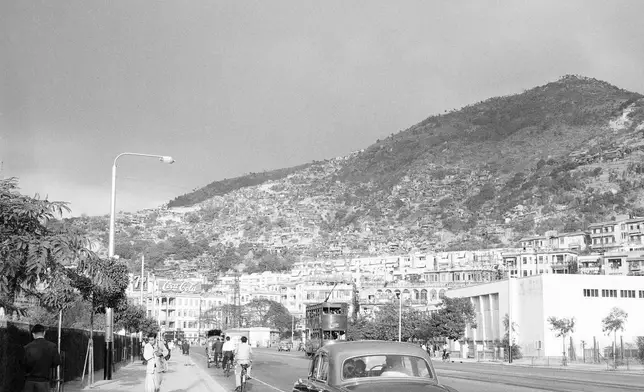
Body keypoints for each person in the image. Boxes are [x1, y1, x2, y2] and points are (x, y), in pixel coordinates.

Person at [22, 324, 61, 392]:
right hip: (44, 381)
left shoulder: (27, 347)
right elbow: (57, 362)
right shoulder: (52, 346)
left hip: (29, 382)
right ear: (44, 333)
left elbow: (23, 364)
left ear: (33, 334)